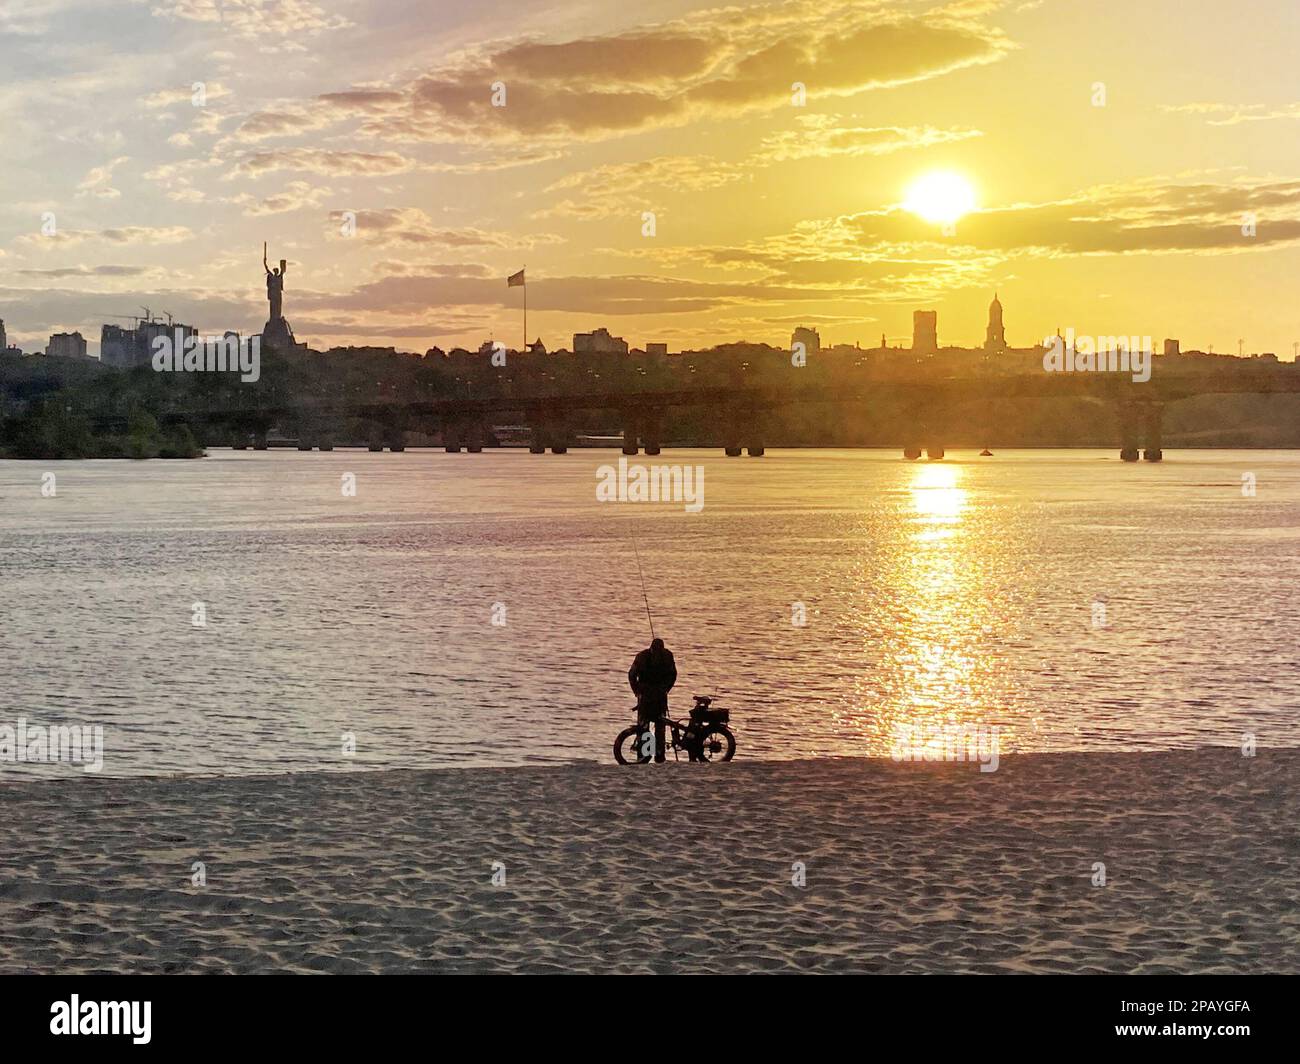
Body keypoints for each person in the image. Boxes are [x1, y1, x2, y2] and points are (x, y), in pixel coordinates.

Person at [628, 638, 677, 762]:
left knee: (652, 725)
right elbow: (673, 675)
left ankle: (652, 755)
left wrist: (637, 691)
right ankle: (651, 755)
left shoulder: (644, 656)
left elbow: (632, 674)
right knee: (651, 726)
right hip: (652, 695)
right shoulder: (664, 656)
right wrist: (666, 689)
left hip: (652, 695)